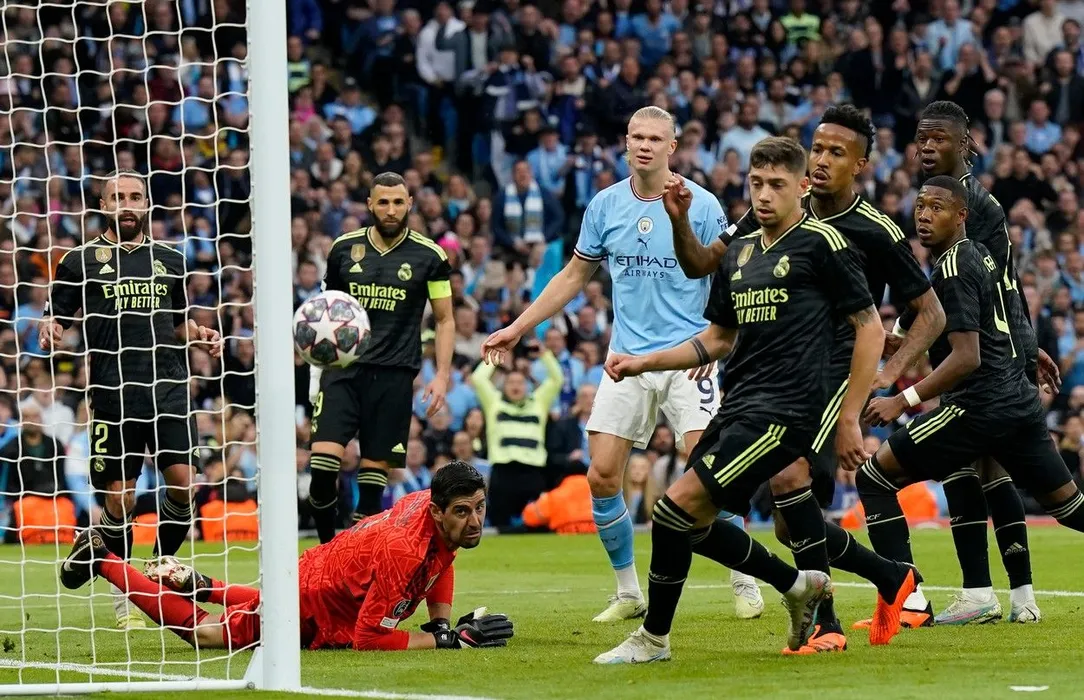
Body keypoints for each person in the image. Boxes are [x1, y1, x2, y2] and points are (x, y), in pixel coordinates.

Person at [594, 137, 917, 664]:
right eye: (757, 183)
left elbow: (870, 328)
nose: (764, 195)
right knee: (691, 524)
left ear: (802, 187)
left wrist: (849, 417)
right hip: (738, 405)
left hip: (785, 412)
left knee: (674, 508)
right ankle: (803, 585)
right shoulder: (741, 251)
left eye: (777, 185)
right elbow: (717, 339)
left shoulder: (823, 244)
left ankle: (654, 640)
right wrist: (644, 362)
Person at [668, 105, 946, 652]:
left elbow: (931, 314)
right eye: (817, 149)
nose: (821, 160)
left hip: (833, 375)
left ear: (859, 165)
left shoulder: (876, 230)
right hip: (772, 376)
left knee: (788, 476)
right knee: (788, 524)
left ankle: (825, 623)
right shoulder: (772, 210)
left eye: (836, 153)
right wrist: (679, 220)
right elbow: (702, 264)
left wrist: (883, 380)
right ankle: (894, 577)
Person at [481, 105, 764, 623]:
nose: (644, 145)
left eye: (655, 138)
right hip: (626, 358)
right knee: (603, 474)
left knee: (710, 469)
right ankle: (628, 591)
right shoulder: (605, 205)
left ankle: (744, 579)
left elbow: (732, 276)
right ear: (626, 143)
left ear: (672, 147)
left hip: (688, 357)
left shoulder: (700, 204)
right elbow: (573, 276)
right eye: (637, 136)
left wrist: (720, 343)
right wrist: (519, 327)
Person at [859, 176, 1084, 644]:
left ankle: (908, 602)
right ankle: (990, 595)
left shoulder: (954, 267)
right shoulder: (978, 255)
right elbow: (987, 317)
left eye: (937, 207)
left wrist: (902, 399)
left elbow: (966, 357)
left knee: (874, 478)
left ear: (961, 215)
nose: (924, 215)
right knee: (1068, 506)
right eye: (921, 206)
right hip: (1019, 404)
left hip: (978, 404)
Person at [59, 461, 515, 651]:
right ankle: (103, 559)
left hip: (324, 576)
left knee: (265, 600)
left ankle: (207, 586)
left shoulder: (429, 510)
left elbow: (443, 560)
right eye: (463, 511)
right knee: (207, 634)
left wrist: (440, 622)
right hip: (312, 601)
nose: (475, 520)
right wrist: (449, 641)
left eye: (480, 507)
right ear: (436, 510)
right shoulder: (405, 548)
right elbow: (368, 639)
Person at [898, 101, 1060, 625]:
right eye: (922, 138)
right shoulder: (945, 198)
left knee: (968, 466)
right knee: (991, 471)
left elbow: (997, 282)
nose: (927, 147)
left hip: (979, 358)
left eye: (939, 139)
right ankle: (1021, 597)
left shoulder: (974, 205)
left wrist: (1025, 345)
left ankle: (981, 592)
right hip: (984, 349)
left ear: (965, 143)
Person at [39, 169, 222, 630]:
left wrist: (199, 334)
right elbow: (57, 313)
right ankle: (124, 596)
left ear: (146, 204)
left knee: (183, 484)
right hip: (114, 393)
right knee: (120, 500)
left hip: (169, 388)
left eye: (135, 196)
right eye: (117, 196)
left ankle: (157, 572)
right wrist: (50, 326)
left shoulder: (170, 259)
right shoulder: (80, 260)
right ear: (104, 205)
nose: (126, 203)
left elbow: (176, 323)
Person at [306, 171, 456, 543]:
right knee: (322, 470)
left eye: (398, 202)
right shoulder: (344, 249)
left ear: (410, 204)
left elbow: (444, 318)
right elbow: (327, 310)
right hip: (343, 371)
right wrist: (315, 370)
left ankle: (354, 562)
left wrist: (441, 375)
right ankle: (326, 550)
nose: (391, 210)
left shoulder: (430, 256)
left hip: (394, 377)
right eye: (384, 202)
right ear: (370, 204)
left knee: (371, 492)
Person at [470, 349, 563, 527]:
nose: (515, 386)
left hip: (533, 473)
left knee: (537, 524)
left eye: (520, 382)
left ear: (527, 386)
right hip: (503, 472)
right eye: (511, 382)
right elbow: (478, 379)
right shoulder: (494, 403)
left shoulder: (539, 402)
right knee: (500, 525)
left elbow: (556, 379)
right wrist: (495, 357)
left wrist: (544, 355)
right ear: (504, 386)